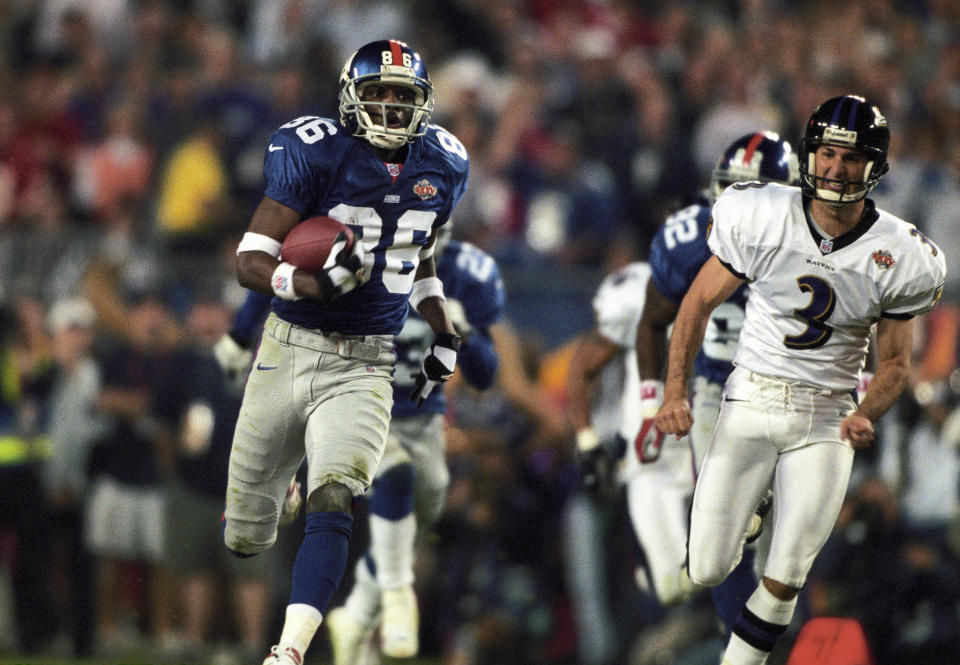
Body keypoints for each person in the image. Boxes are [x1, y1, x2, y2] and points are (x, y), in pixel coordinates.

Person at [655, 95, 947, 665]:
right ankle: (755, 499)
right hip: (753, 397)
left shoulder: (901, 252)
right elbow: (695, 305)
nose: (837, 168)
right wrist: (673, 391)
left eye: (851, 157)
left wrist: (868, 413)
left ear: (875, 166)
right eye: (827, 153)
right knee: (708, 566)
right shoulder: (761, 211)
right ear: (810, 155)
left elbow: (893, 363)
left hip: (828, 415)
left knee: (788, 571)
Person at [219, 39, 469, 665]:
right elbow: (250, 259)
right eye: (378, 93)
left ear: (424, 103)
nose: (390, 106)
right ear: (351, 99)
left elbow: (420, 244)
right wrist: (308, 282)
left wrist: (441, 324)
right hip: (288, 345)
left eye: (402, 95)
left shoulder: (442, 163)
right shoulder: (314, 150)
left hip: (366, 360)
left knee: (337, 495)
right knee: (246, 538)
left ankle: (290, 651)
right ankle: (281, 491)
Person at [218, 232, 505, 662]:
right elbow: (285, 268)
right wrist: (241, 335)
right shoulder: (358, 241)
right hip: (355, 396)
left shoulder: (467, 272)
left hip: (422, 420)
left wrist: (461, 329)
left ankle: (356, 618)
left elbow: (485, 375)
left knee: (411, 523)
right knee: (389, 477)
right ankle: (392, 595)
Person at [635, 131, 800, 633]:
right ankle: (735, 636)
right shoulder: (690, 239)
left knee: (784, 551)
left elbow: (859, 322)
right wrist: (653, 402)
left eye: (753, 192)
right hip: (714, 390)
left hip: (790, 392)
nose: (739, 205)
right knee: (723, 521)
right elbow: (652, 321)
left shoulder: (814, 241)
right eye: (731, 190)